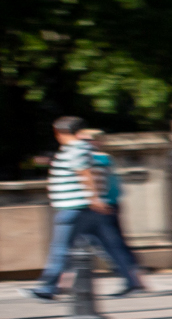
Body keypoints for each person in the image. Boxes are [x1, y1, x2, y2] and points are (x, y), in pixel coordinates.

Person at [25, 117, 147, 299]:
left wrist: (94, 198)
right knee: (110, 246)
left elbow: (85, 173)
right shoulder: (84, 150)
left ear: (59, 132)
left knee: (61, 248)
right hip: (86, 207)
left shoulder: (76, 150)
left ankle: (49, 287)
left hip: (75, 207)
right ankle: (132, 282)